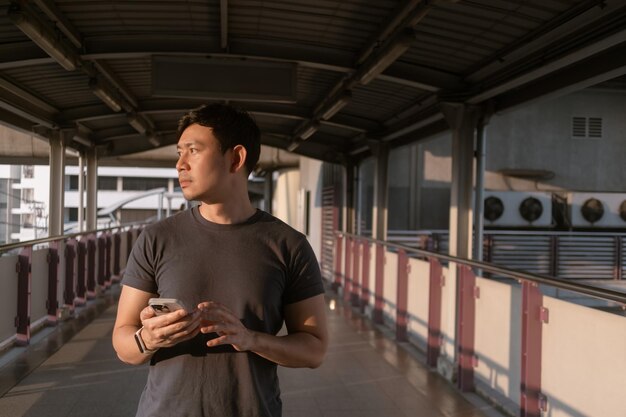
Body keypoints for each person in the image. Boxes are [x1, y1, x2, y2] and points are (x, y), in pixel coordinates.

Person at [112, 103, 328, 417]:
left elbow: (315, 349)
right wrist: (148, 337)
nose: (180, 164)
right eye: (179, 153)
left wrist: (251, 339)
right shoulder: (157, 238)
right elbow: (123, 344)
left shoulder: (289, 245)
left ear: (236, 158)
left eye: (193, 150)